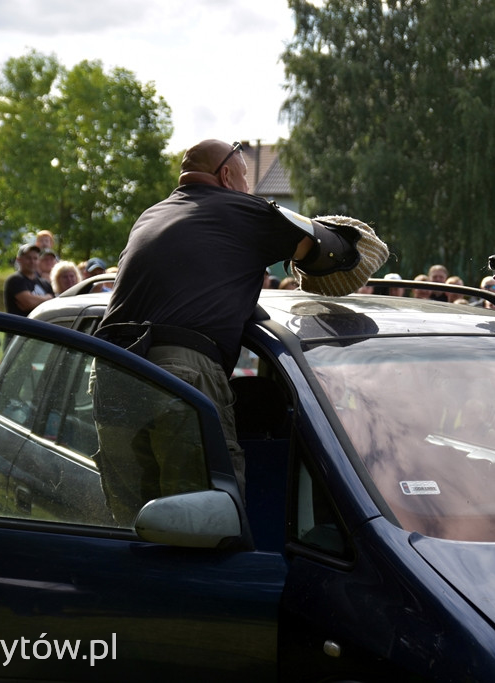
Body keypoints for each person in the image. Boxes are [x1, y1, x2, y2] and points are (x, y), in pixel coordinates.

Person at [94, 138, 370, 521]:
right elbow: (336, 252)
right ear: (226, 175)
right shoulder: (241, 209)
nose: (249, 190)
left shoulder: (151, 214)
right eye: (244, 179)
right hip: (180, 371)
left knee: (130, 522)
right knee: (203, 519)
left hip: (111, 369)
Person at [3, 244, 54, 316]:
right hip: (20, 325)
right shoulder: (15, 280)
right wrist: (47, 298)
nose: (32, 261)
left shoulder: (45, 283)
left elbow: (53, 304)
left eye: (35, 258)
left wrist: (35, 301)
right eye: (28, 258)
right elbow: (28, 303)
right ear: (19, 260)